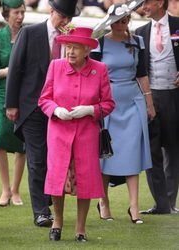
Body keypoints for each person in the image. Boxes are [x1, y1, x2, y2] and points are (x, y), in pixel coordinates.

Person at [5, 0, 81, 227]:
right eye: (63, 16)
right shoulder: (30, 33)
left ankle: (49, 202)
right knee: (37, 160)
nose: (66, 21)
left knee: (55, 160)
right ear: (51, 11)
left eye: (69, 18)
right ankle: (41, 211)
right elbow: (15, 67)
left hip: (61, 110)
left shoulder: (71, 37)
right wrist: (11, 104)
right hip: (32, 107)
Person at [38, 26, 115, 242]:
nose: (70, 52)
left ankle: (80, 229)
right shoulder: (56, 66)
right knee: (57, 179)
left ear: (87, 51)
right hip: (59, 133)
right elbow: (44, 99)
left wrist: (91, 110)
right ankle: (58, 223)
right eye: (68, 47)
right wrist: (56, 110)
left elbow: (109, 103)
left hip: (86, 134)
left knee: (85, 180)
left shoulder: (99, 69)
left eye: (75, 48)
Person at [90, 0, 156, 223]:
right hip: (108, 103)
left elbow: (142, 73)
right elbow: (94, 77)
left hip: (133, 101)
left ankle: (134, 207)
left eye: (126, 20)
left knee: (132, 153)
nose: (122, 24)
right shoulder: (99, 43)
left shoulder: (138, 42)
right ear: (111, 22)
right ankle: (103, 202)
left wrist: (149, 103)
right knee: (106, 154)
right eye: (118, 21)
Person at [136, 0, 179, 214]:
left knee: (173, 149)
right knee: (152, 151)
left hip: (174, 96)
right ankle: (160, 204)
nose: (144, 6)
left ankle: (170, 202)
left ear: (160, 3)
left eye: (147, 2)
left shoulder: (178, 25)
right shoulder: (140, 31)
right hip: (149, 96)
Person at [0, 0, 26, 207]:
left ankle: (17, 190)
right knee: (0, 139)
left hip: (23, 94)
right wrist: (11, 70)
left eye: (23, 12)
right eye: (16, 13)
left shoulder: (28, 35)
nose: (20, 16)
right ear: (7, 14)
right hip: (1, 93)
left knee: (22, 142)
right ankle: (5, 189)